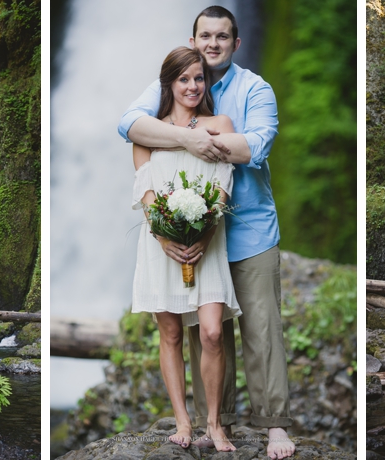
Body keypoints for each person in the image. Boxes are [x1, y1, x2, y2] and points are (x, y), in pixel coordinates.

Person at [119, 6, 296, 459]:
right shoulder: (177, 77)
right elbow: (129, 125)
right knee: (205, 332)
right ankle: (217, 421)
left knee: (261, 328)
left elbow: (256, 144)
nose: (213, 43)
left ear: (236, 43)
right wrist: (187, 138)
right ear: (194, 40)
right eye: (205, 35)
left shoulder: (255, 88)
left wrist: (198, 136)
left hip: (249, 227)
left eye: (222, 36)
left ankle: (274, 423)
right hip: (188, 237)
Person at [131, 46, 241, 452]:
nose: (193, 86)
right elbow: (144, 197)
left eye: (199, 78)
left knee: (212, 332)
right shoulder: (147, 133)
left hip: (207, 243)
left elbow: (223, 186)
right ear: (169, 84)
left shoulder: (220, 123)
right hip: (161, 246)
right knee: (171, 332)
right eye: (184, 79)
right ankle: (182, 421)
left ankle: (214, 423)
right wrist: (165, 238)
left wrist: (204, 237)